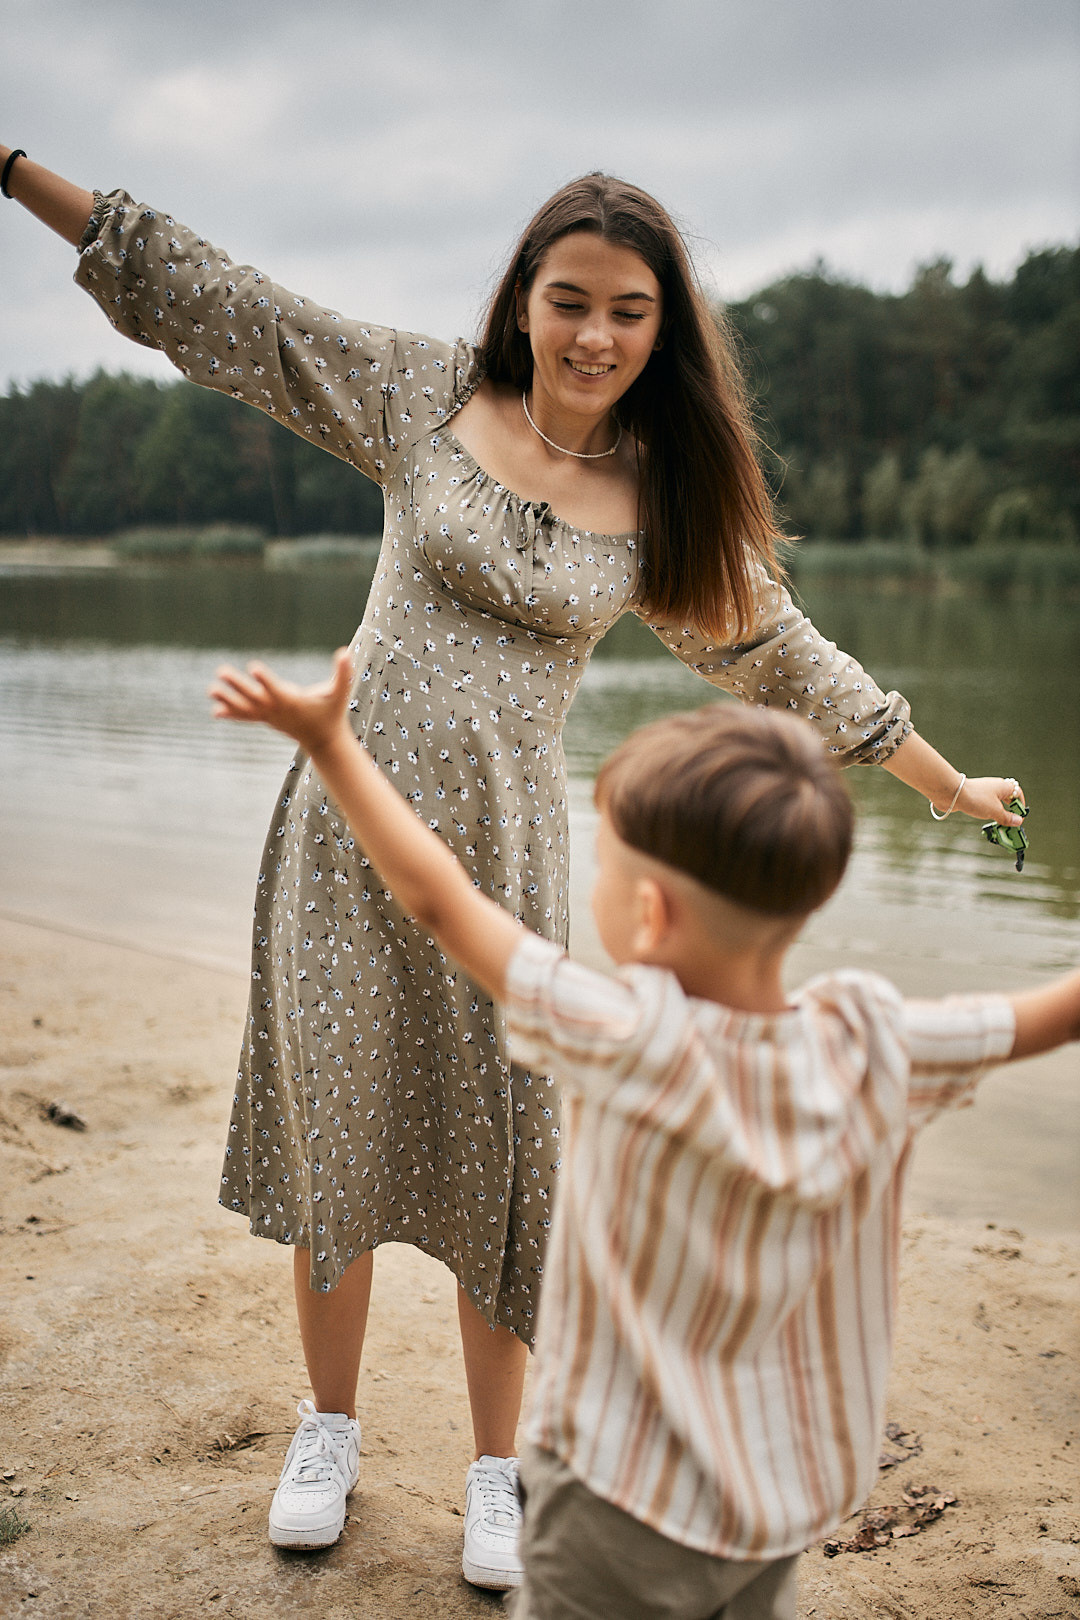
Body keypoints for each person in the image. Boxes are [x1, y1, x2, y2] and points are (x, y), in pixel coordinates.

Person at [1, 145, 1026, 1584]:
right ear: (524, 301)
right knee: (336, 1129)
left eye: (627, 310)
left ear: (661, 330)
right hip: (345, 834)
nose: (594, 334)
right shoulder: (425, 397)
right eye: (569, 300)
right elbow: (229, 305)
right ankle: (331, 1429)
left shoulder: (664, 500)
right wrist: (14, 170)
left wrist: (943, 777)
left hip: (506, 858)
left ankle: (499, 1469)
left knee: (506, 1164)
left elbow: (783, 656)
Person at [208, 651, 1079, 1620]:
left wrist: (332, 744)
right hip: (782, 1503)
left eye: (607, 869)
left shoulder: (626, 1038)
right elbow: (1041, 1017)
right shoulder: (873, 1040)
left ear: (651, 914)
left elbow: (438, 900)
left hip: (612, 1502)